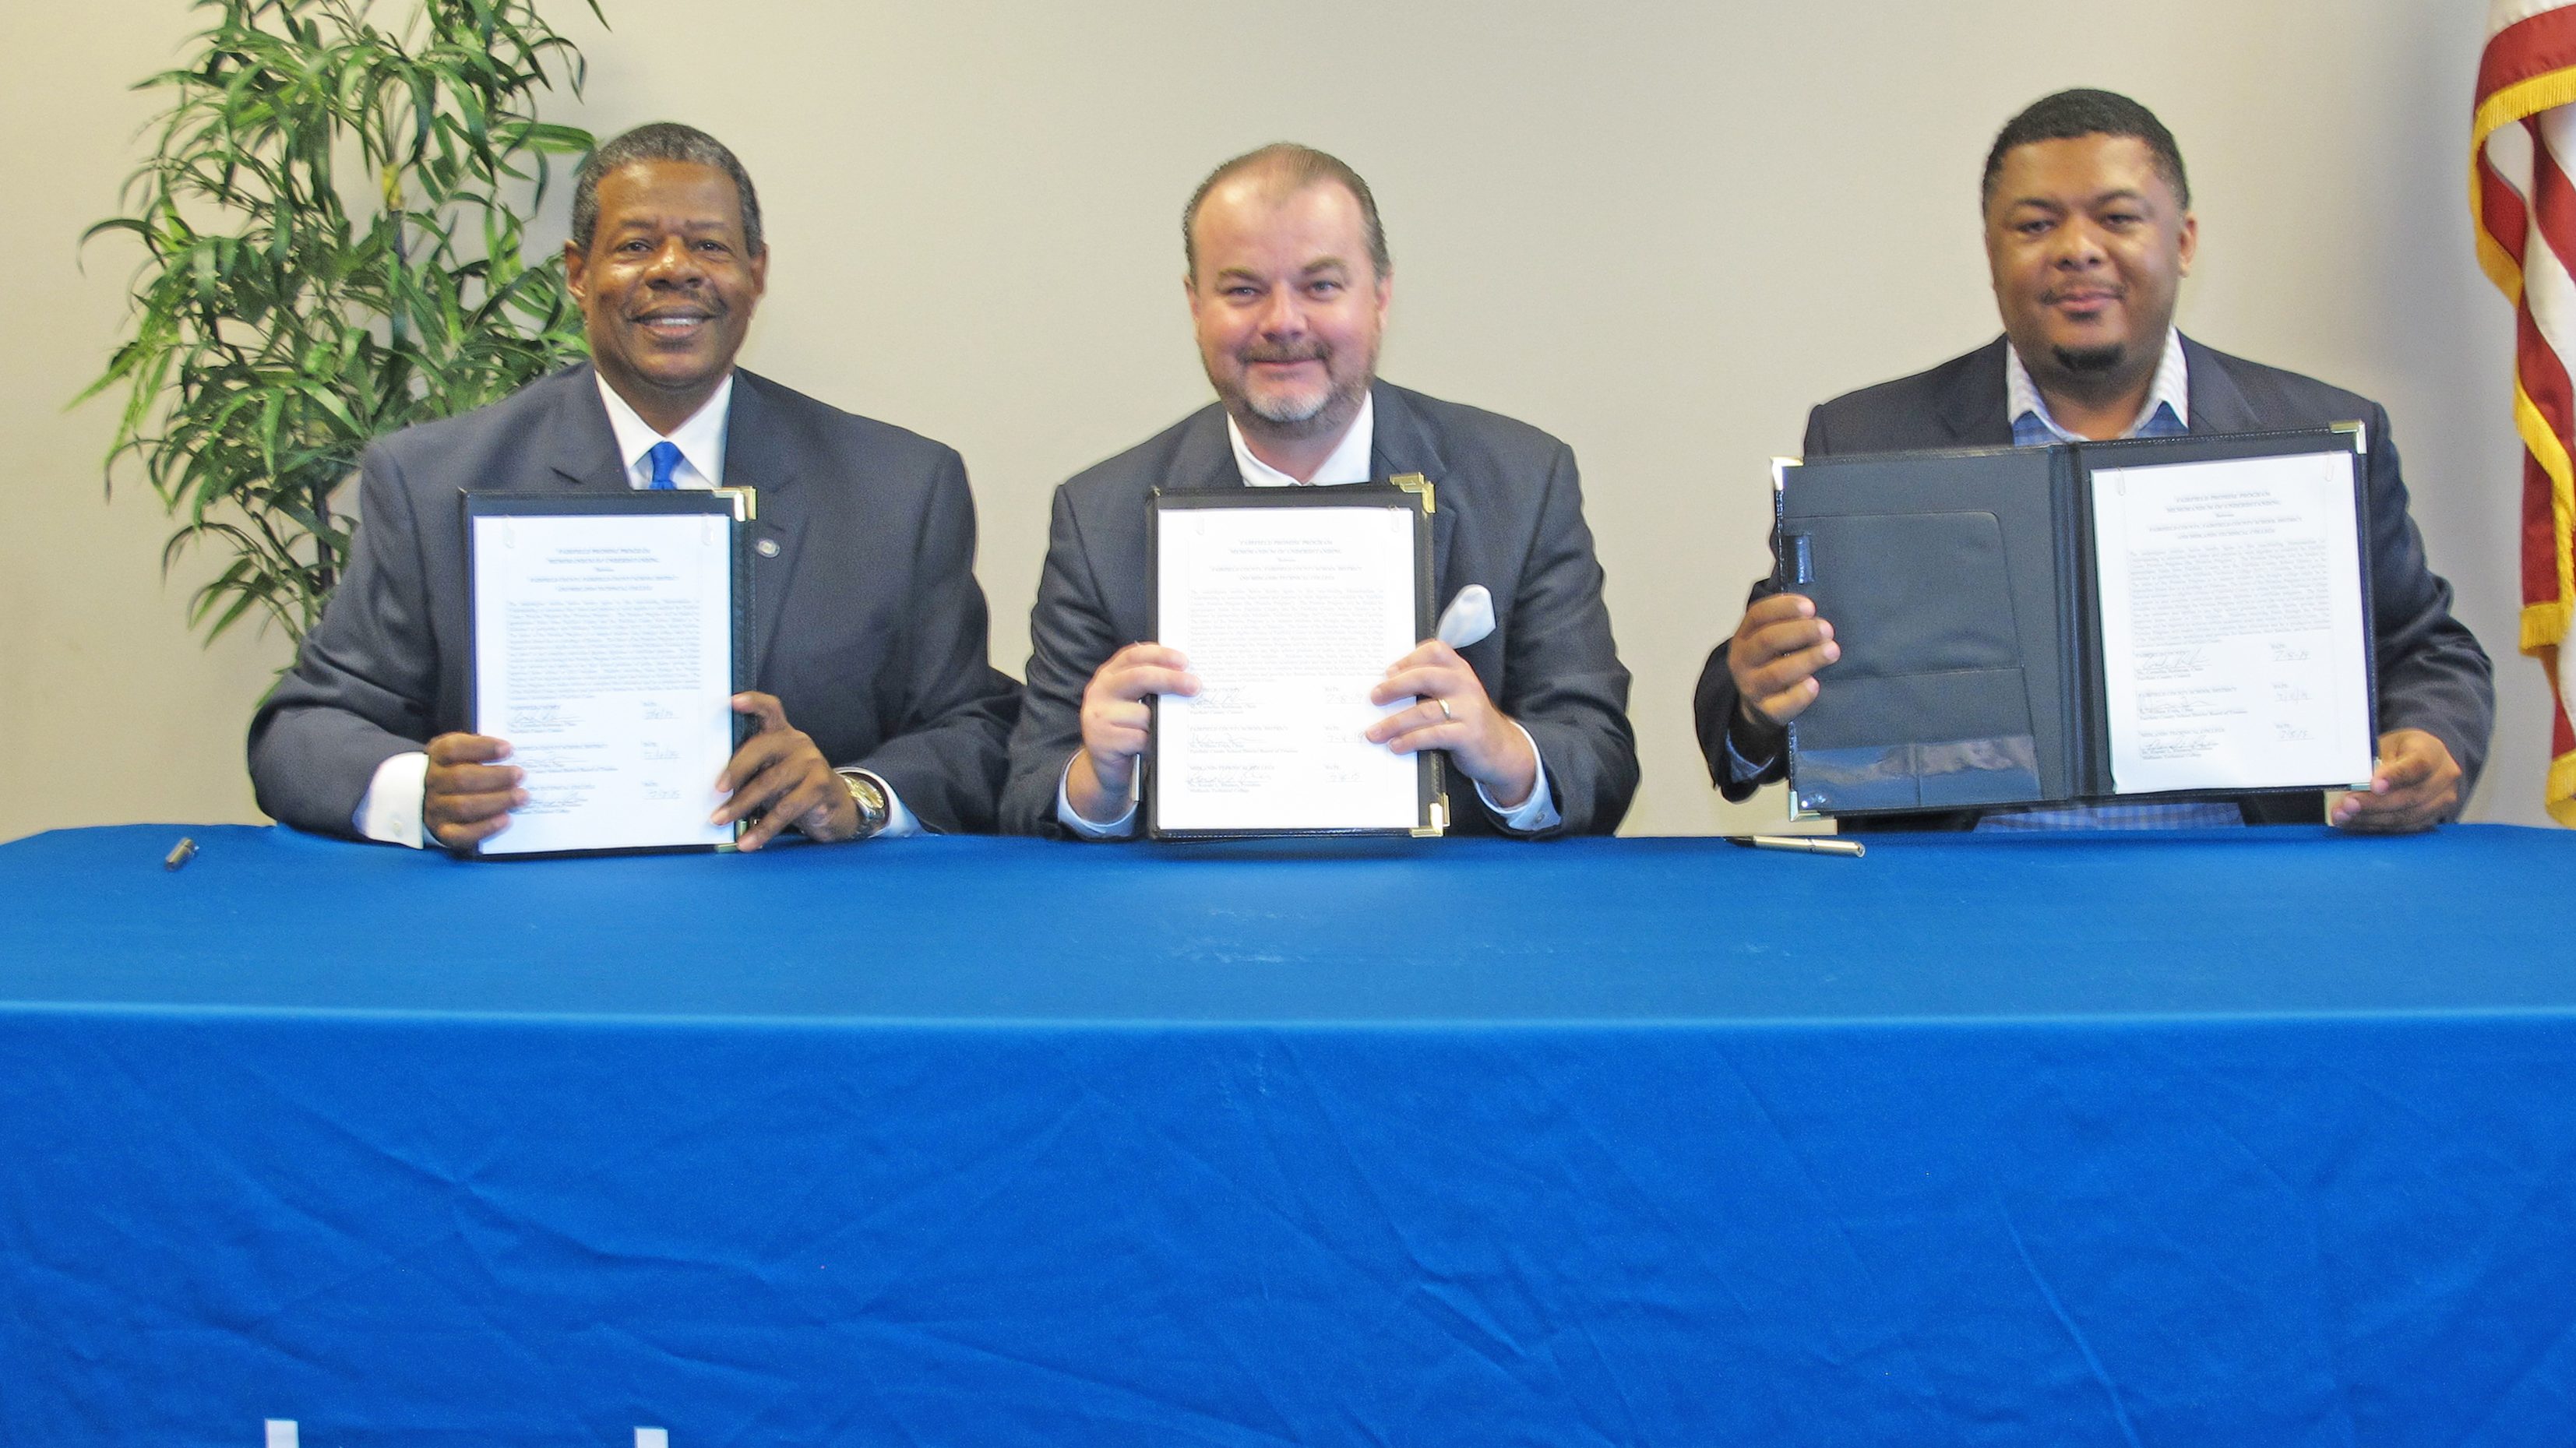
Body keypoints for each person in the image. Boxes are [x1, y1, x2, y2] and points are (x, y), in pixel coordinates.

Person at [1696, 89, 2494, 833]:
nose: (2077, 251)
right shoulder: (1869, 437)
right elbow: (1756, 687)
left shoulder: (2313, 433)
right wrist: (1757, 702)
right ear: (1990, 252)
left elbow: (2425, 649)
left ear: (2182, 241)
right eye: (2035, 225)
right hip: (1954, 900)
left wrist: (2431, 739)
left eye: (2117, 218)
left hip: (2235, 892)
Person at [249, 122, 1017, 849]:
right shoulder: (431, 482)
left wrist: (855, 795)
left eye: (709, 245)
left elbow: (976, 730)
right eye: (636, 245)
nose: (673, 268)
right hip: (520, 920)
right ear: (578, 274)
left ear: (756, 273)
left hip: (799, 912)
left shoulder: (897, 488)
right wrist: (421, 791)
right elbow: (302, 730)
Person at [1003, 143, 1636, 839]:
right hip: (1195, 900)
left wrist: (1504, 752)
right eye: (1243, 290)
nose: (1282, 321)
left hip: (1446, 900)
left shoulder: (1521, 480)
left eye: (1321, 286)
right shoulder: (1099, 514)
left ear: (1380, 297)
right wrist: (1098, 783)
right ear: (1194, 304)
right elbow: (1028, 786)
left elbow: (1598, 758)